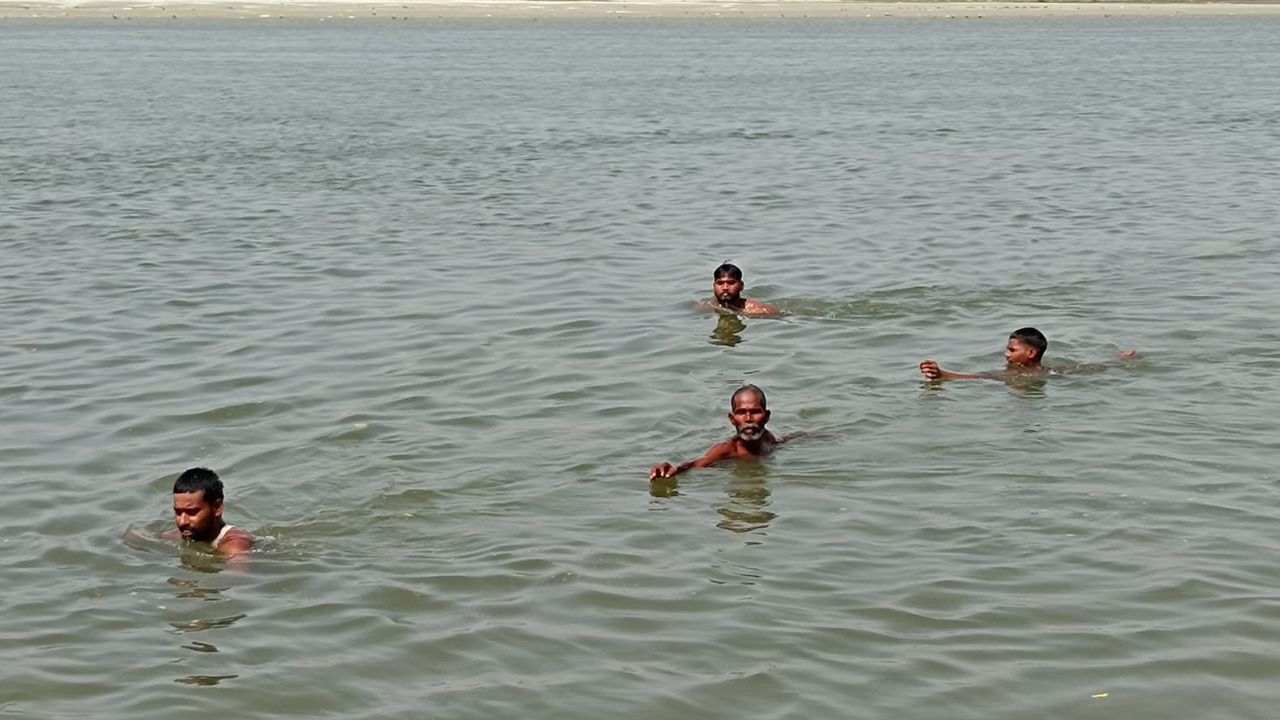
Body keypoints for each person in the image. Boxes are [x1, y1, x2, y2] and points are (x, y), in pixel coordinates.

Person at [650, 385, 791, 480]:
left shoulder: (769, 438)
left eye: (755, 412)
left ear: (766, 417)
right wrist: (674, 469)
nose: (748, 419)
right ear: (732, 419)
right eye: (741, 413)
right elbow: (697, 464)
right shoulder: (726, 450)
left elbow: (785, 440)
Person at [919, 327, 1138, 381]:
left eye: (1012, 350)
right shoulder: (1049, 370)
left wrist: (945, 375)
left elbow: (980, 378)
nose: (1006, 354)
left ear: (1031, 353)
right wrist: (1116, 361)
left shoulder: (1019, 376)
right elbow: (1085, 368)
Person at [170, 467, 253, 559]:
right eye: (178, 512)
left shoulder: (235, 546)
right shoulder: (185, 534)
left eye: (192, 512)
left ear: (217, 507)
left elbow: (236, 572)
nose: (182, 522)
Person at [701, 262, 781, 317]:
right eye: (720, 283)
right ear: (714, 286)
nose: (725, 288)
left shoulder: (757, 311)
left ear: (741, 286)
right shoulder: (706, 306)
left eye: (731, 283)